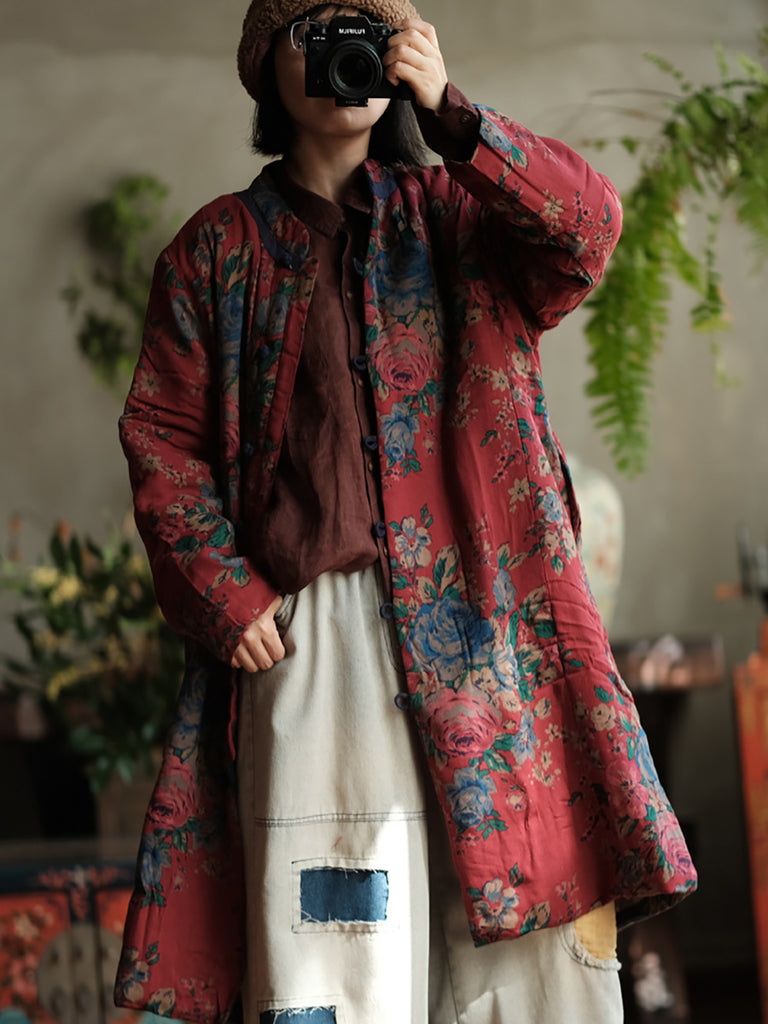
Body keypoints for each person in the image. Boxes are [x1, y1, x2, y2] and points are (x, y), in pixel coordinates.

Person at [114, 2, 697, 1022]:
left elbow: (588, 229)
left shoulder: (460, 214)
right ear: (266, 64)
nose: (345, 51)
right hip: (314, 648)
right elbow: (163, 437)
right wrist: (225, 592)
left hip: (492, 629)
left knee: (524, 932)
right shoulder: (217, 250)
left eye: (369, 25)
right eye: (316, 28)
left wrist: (456, 114)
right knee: (338, 931)